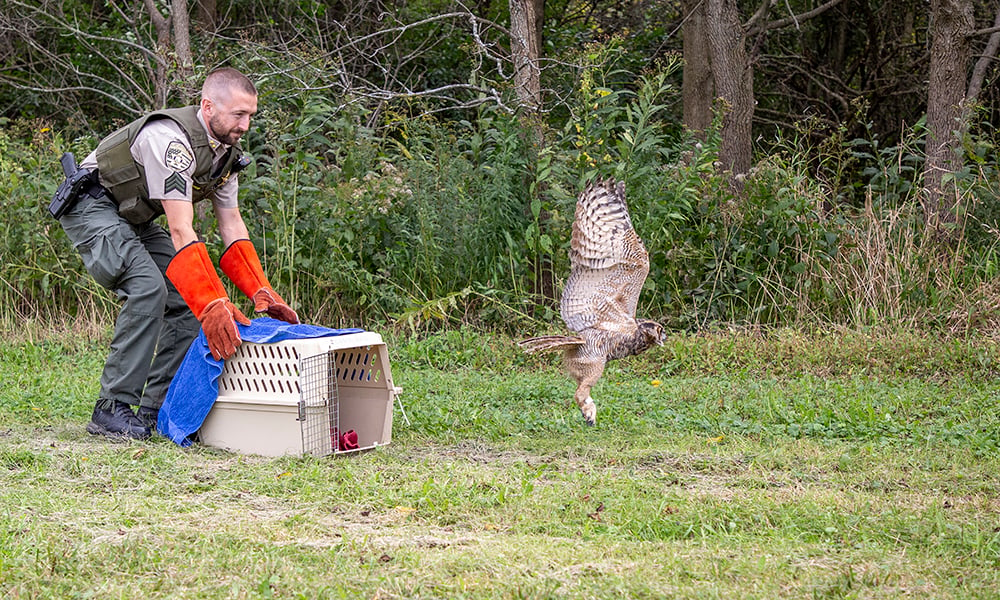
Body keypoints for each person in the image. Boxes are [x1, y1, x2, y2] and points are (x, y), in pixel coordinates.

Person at [55, 67, 299, 441]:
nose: (246, 125)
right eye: (238, 114)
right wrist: (214, 302)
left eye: (250, 115)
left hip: (131, 215)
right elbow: (181, 228)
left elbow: (232, 225)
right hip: (92, 206)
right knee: (148, 286)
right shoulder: (171, 142)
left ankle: (155, 407)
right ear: (208, 106)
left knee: (186, 298)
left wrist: (261, 291)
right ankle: (111, 408)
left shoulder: (227, 158)